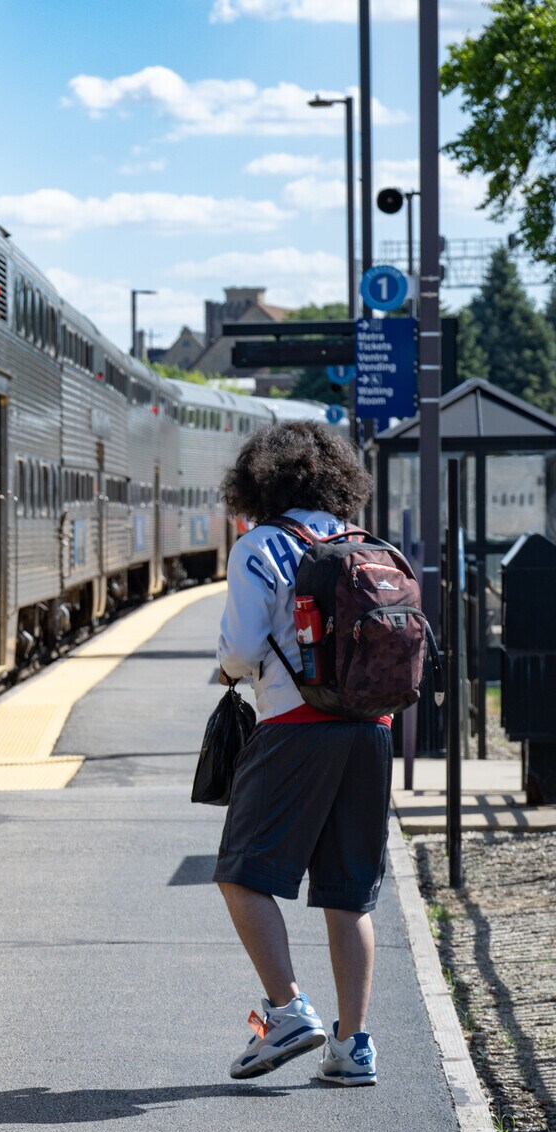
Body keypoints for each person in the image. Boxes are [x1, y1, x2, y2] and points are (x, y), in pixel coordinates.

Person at [213, 421, 387, 1087]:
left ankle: (286, 1009)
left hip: (294, 725)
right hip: (369, 730)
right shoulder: (363, 543)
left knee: (242, 870)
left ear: (259, 481)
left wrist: (231, 672)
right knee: (349, 893)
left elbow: (239, 650)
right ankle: (353, 1046)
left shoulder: (260, 546)